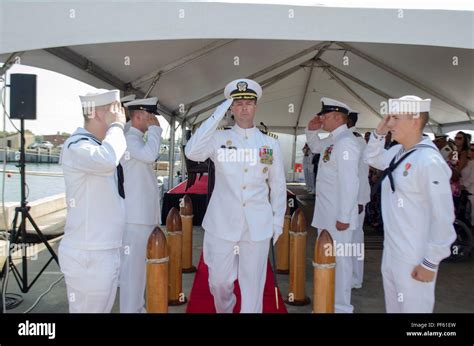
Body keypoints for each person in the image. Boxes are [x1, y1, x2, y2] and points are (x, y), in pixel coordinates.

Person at [185, 78, 286, 313]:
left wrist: (277, 223)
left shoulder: (269, 144)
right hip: (222, 223)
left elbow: (278, 185)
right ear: (231, 107)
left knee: (253, 285)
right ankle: (226, 308)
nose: (243, 108)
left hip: (257, 224)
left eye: (248, 103)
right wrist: (217, 114)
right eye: (237, 103)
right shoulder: (219, 138)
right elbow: (192, 151)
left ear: (255, 106)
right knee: (219, 281)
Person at [364, 95, 456, 313]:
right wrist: (379, 132)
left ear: (415, 121)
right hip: (393, 249)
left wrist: (430, 262)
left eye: (395, 118)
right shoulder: (399, 152)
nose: (390, 124)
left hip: (415, 255)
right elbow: (372, 158)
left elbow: (443, 217)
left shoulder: (428, 161)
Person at [59, 89, 127, 313]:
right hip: (89, 253)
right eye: (114, 109)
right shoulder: (77, 146)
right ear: (96, 113)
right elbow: (107, 161)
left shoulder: (100, 145)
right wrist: (117, 127)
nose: (120, 115)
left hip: (105, 248)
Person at [305, 97, 361, 313]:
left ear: (338, 117)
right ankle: (328, 301)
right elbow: (316, 146)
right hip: (328, 214)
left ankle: (341, 307)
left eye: (325, 116)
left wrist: (345, 217)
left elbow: (350, 182)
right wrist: (311, 130)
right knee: (328, 258)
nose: (321, 119)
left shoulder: (346, 142)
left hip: (338, 216)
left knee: (342, 263)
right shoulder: (334, 139)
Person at [119, 97, 163, 313]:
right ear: (138, 116)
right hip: (135, 218)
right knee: (132, 273)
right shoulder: (129, 139)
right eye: (150, 115)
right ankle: (131, 310)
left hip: (141, 216)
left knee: (138, 271)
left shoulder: (132, 136)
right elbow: (150, 155)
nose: (154, 119)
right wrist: (156, 131)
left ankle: (137, 308)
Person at [347, 111, 370, 289]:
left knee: (354, 240)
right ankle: (346, 275)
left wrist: (360, 200)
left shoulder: (357, 141)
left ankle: (355, 278)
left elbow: (361, 174)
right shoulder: (341, 138)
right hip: (344, 200)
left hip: (356, 201)